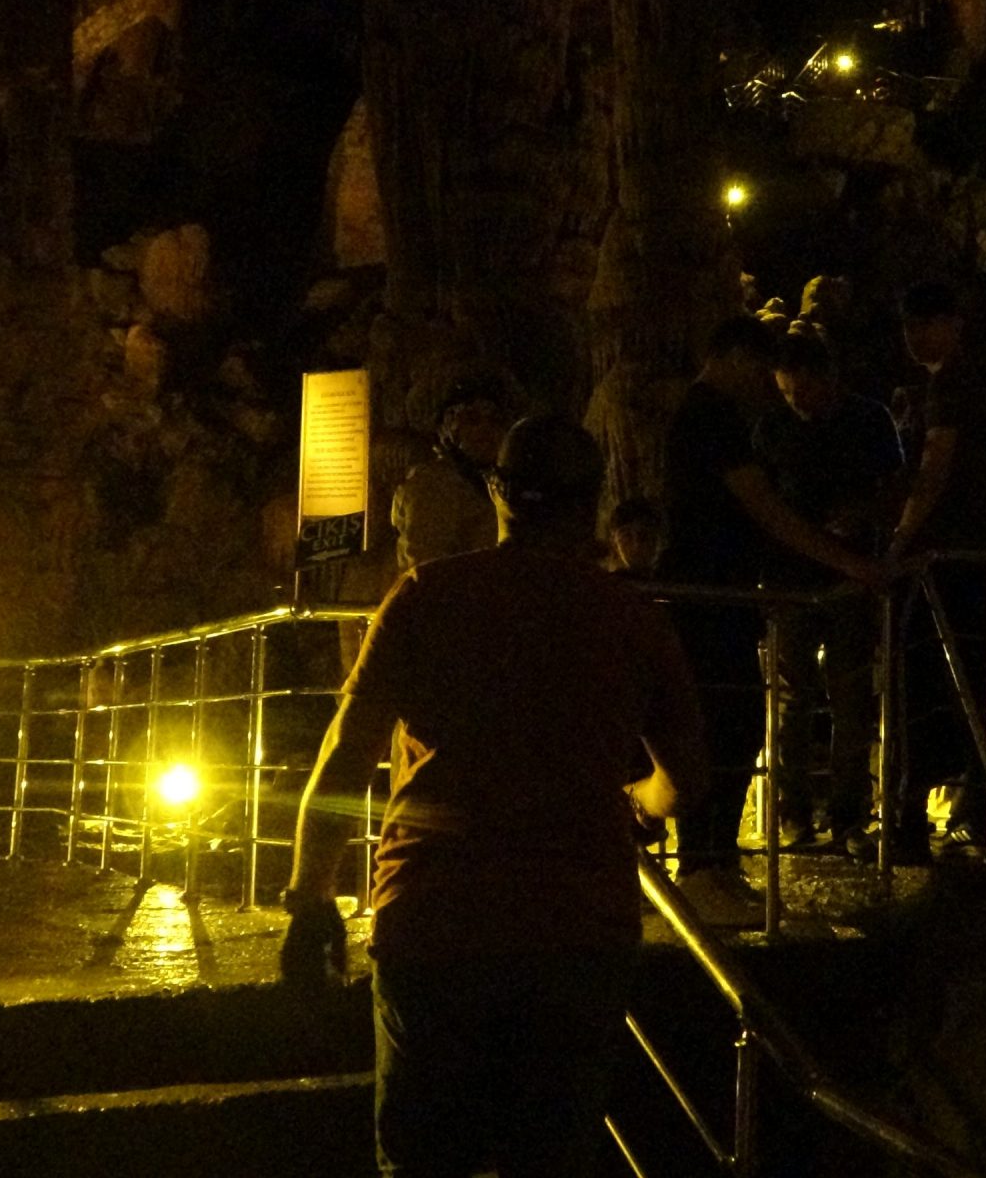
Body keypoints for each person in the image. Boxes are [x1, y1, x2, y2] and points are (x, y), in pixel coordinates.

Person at [280, 417, 708, 1178]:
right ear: (592, 502)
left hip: (435, 921)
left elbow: (344, 758)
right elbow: (686, 782)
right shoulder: (631, 619)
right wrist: (638, 800)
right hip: (576, 927)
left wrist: (310, 898)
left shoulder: (424, 596)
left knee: (423, 1159)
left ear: (499, 491)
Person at [661, 316, 883, 904]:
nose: (766, 387)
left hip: (719, 594)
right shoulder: (713, 416)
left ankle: (714, 861)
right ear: (736, 356)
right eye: (761, 371)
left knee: (731, 726)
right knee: (724, 726)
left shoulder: (708, 415)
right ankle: (703, 865)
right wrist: (846, 560)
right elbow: (765, 507)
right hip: (712, 599)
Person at [754, 329, 903, 856]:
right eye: (786, 393)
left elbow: (896, 489)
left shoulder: (868, 419)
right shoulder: (772, 426)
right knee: (792, 700)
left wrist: (863, 516)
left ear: (828, 379)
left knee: (851, 697)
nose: (796, 403)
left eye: (802, 391)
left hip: (850, 576)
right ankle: (793, 813)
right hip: (791, 579)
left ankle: (847, 815)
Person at [883, 279, 986, 854]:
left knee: (925, 680)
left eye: (923, 323)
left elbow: (936, 466)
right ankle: (975, 803)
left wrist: (901, 536)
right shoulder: (969, 381)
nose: (913, 335)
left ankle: (913, 812)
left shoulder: (953, 385)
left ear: (952, 325)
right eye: (908, 325)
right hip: (975, 551)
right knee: (972, 679)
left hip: (947, 554)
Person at [388, 378, 508, 572]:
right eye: (472, 419)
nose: (486, 429)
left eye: (495, 420)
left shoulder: (499, 483)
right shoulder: (432, 488)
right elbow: (426, 571)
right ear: (448, 428)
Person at [604, 497, 666, 578]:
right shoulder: (604, 583)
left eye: (644, 536)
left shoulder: (674, 582)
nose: (636, 545)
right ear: (615, 542)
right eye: (627, 536)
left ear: (661, 541)